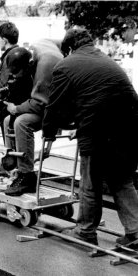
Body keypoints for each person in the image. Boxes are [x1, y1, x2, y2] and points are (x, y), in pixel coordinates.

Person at [43, 28, 138, 246]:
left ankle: (85, 231)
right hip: (131, 129)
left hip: (99, 131)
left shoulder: (66, 65)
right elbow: (100, 96)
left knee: (90, 182)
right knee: (122, 180)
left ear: (68, 48)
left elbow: (55, 106)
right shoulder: (107, 60)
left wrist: (48, 135)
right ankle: (136, 232)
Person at [2, 39, 63, 196]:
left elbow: (39, 104)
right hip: (50, 105)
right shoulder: (34, 51)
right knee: (8, 121)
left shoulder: (44, 66)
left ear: (28, 65)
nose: (14, 76)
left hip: (59, 110)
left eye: (17, 73)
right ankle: (16, 168)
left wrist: (16, 108)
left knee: (22, 122)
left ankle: (27, 175)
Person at [0, 22, 20, 125]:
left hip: (7, 107)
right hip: (17, 105)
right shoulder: (19, 53)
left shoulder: (9, 57)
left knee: (8, 138)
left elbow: (3, 83)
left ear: (5, 40)